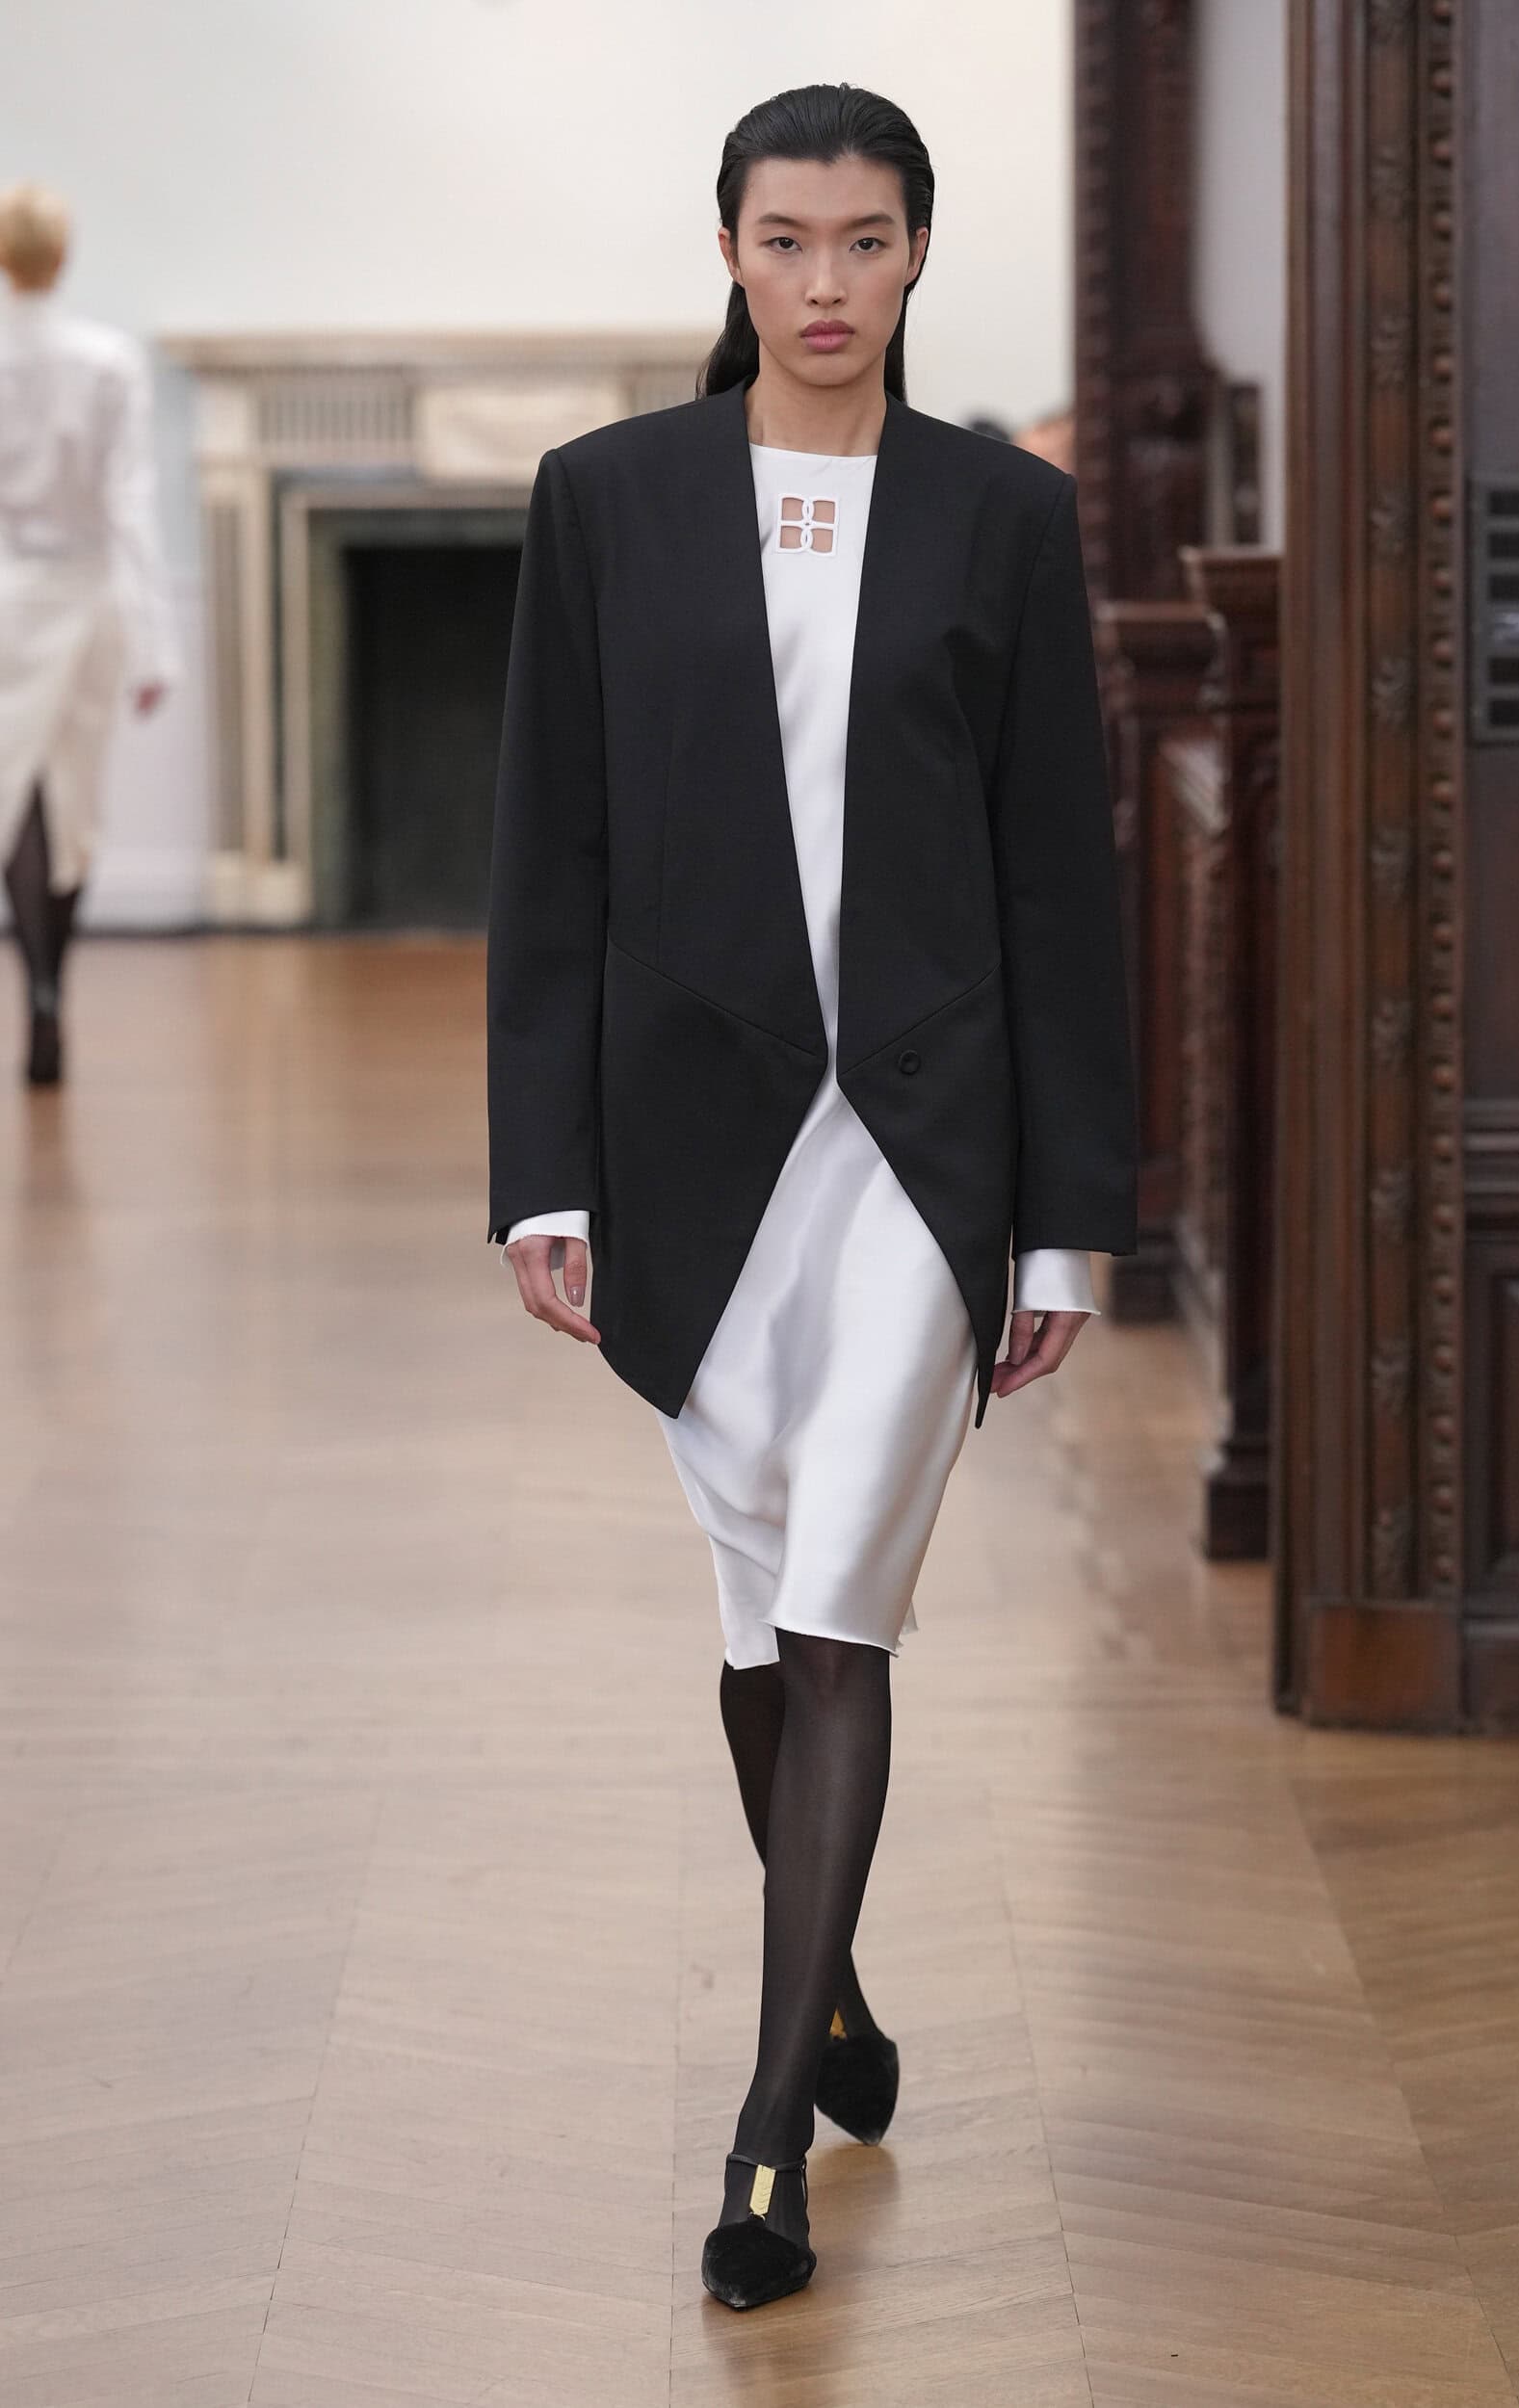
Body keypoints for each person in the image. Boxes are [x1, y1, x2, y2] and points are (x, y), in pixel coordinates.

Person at [485, 84, 1139, 2310]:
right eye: (786, 239)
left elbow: (1056, 883)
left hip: (923, 1154)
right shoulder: (607, 499)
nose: (825, 281)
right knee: (762, 1617)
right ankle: (828, 1972)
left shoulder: (1001, 513)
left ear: (917, 252)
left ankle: (764, 2134)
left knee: (843, 1611)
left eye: (865, 239)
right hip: (693, 1150)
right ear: (731, 250)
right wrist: (544, 1174)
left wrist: (1062, 1219)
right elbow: (548, 857)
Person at [0, 181, 179, 1086]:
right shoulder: (107, 361)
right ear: (62, 256)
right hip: (88, 603)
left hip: (6, 599)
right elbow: (128, 505)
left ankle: (34, 981)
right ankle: (50, 989)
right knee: (72, 802)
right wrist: (156, 644)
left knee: (20, 799)